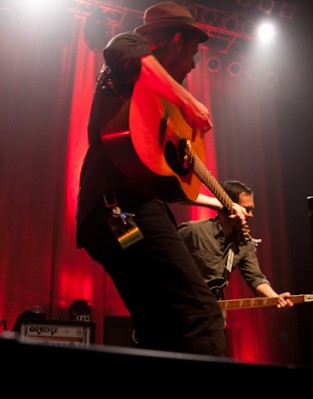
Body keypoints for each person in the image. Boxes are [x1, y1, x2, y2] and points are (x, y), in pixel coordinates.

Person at [75, 2, 249, 356]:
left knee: (158, 320)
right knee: (201, 312)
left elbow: (172, 185)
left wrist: (222, 202)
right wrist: (188, 101)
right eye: (193, 51)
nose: (196, 64)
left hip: (116, 220)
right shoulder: (128, 71)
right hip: (120, 210)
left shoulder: (159, 108)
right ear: (175, 40)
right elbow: (122, 45)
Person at [178, 180, 294, 310]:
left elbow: (255, 278)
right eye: (246, 209)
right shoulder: (193, 231)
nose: (250, 215)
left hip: (213, 313)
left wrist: (274, 297)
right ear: (228, 208)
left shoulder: (244, 243)